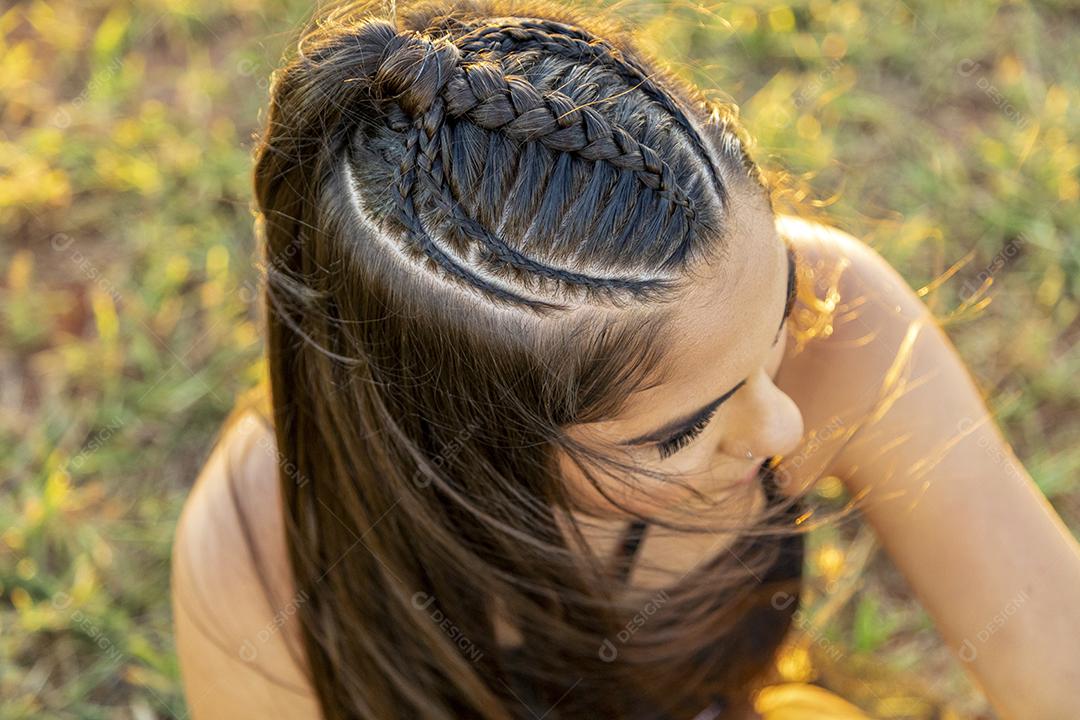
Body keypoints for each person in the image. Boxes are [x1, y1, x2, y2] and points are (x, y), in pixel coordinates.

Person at [170, 1, 1080, 718]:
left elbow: (1053, 653)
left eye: (778, 312)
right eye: (679, 433)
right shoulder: (261, 559)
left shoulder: (837, 315)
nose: (785, 425)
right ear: (459, 443)